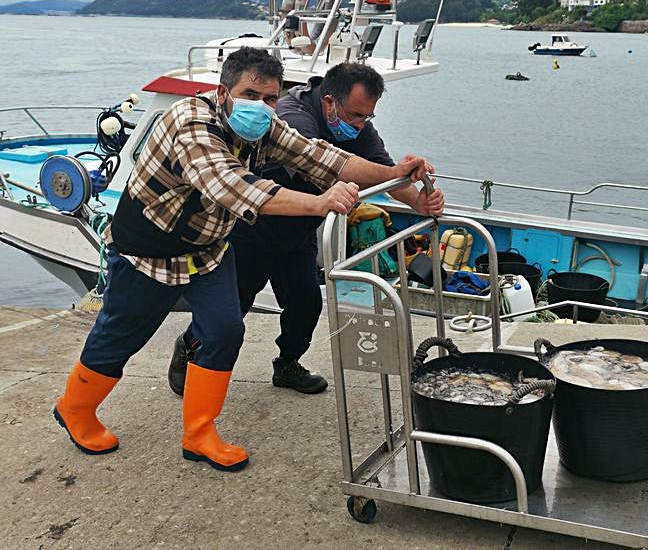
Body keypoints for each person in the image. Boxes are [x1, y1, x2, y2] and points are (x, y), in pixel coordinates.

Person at [53, 48, 432, 473]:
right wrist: (320, 202)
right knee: (121, 335)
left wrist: (395, 173)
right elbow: (232, 185)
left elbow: (323, 157)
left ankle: (199, 433)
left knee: (225, 330)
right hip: (149, 252)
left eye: (271, 98)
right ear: (223, 91)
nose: (263, 107)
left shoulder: (265, 126)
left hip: (208, 251)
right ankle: (75, 410)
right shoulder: (190, 123)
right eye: (251, 94)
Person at [167, 62, 444, 397]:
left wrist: (417, 202)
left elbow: (382, 170)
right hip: (250, 229)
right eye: (356, 115)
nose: (360, 125)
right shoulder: (292, 117)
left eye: (367, 117)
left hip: (297, 233)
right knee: (230, 312)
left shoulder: (356, 127)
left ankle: (288, 363)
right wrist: (382, 176)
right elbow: (327, 165)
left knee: (306, 304)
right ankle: (190, 349)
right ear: (330, 102)